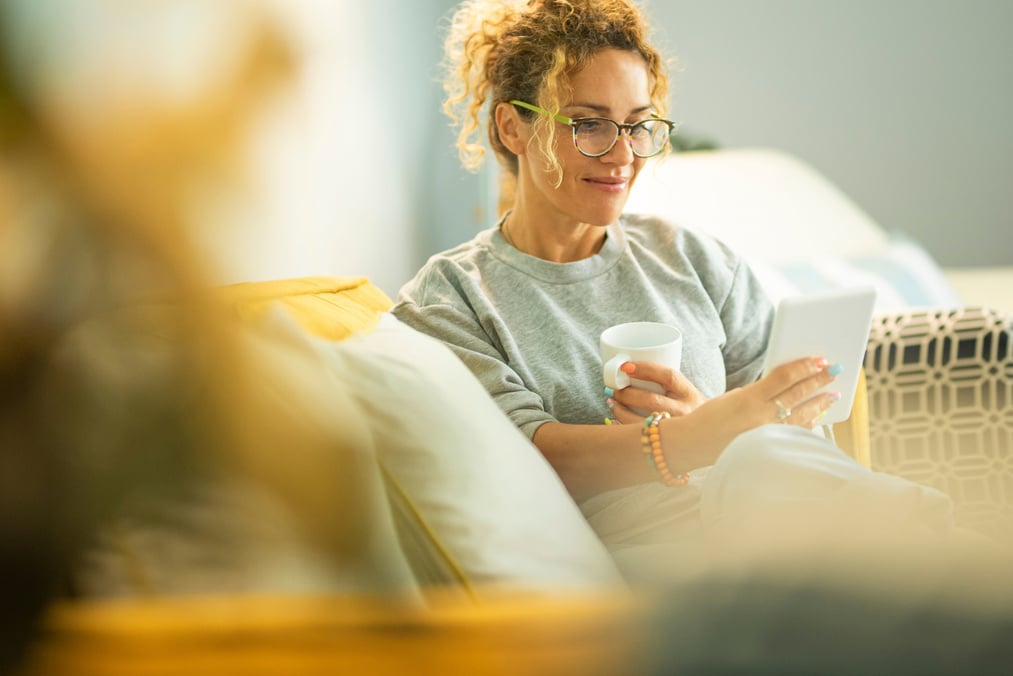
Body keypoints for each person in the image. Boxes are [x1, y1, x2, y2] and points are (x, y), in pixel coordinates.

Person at [391, 0, 994, 582]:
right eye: (589, 123)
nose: (624, 154)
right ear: (511, 127)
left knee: (766, 465)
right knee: (760, 464)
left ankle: (956, 568)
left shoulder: (693, 259)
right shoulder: (450, 298)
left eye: (638, 125)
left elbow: (804, 445)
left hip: (785, 535)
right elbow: (526, 458)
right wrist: (694, 438)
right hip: (647, 563)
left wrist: (715, 422)